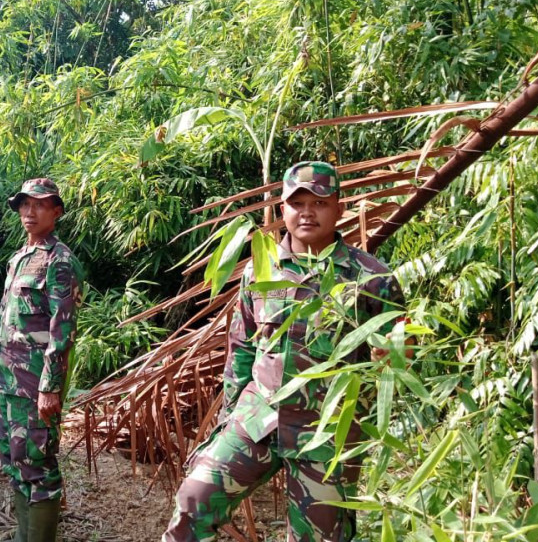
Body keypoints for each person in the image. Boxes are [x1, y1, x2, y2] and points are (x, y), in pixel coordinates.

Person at [164, 161, 405, 542]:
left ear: (339, 208)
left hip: (325, 434)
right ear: (283, 210)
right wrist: (229, 418)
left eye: (320, 202)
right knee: (194, 499)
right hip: (258, 418)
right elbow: (242, 348)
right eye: (297, 202)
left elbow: (396, 361)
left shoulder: (372, 278)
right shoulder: (262, 269)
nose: (307, 212)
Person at [0, 178, 83, 542]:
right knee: (15, 462)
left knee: (38, 469)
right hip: (10, 384)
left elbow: (63, 330)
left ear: (56, 211)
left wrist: (50, 389)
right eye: (24, 204)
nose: (29, 211)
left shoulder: (61, 261)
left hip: (36, 387)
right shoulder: (18, 260)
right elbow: (4, 319)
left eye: (39, 204)